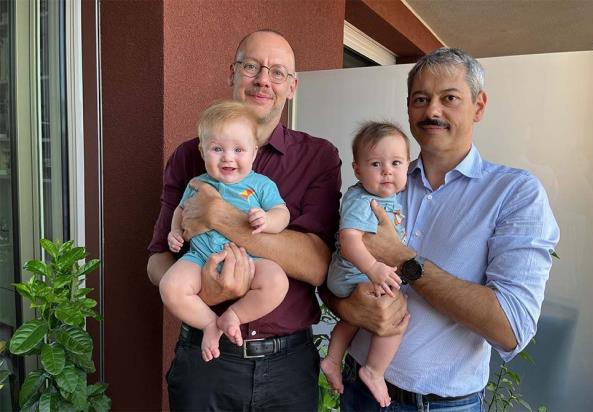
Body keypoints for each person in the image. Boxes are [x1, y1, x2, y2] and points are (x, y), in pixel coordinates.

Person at [322, 47, 560, 411]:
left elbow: (510, 328)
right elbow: (336, 273)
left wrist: (403, 259)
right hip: (359, 391)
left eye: (449, 98)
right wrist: (348, 306)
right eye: (421, 99)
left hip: (445, 405)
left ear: (478, 106)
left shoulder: (514, 193)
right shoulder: (382, 183)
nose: (432, 110)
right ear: (408, 108)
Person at [147, 29, 346, 411]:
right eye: (251, 66)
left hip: (288, 366)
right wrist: (209, 292)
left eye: (277, 72)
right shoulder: (190, 156)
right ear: (232, 74)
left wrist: (223, 217)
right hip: (207, 360)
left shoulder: (318, 157)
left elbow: (319, 265)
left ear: (292, 86)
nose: (263, 80)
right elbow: (158, 262)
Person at [159, 100, 291, 362]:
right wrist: (175, 231)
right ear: (202, 150)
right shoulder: (197, 183)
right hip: (200, 257)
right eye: (217, 149)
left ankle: (235, 315)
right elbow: (180, 211)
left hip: (249, 257)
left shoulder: (261, 185)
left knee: (277, 281)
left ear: (254, 152)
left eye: (239, 149)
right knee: (170, 286)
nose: (228, 157)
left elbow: (282, 213)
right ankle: (210, 323)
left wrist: (267, 219)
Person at [321, 122, 411, 407]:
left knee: (354, 319)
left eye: (396, 163)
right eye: (376, 164)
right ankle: (374, 370)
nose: (387, 171)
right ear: (357, 169)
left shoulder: (388, 198)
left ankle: (333, 360)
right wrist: (373, 269)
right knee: (396, 315)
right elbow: (349, 241)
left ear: (408, 165)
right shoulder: (364, 200)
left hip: (356, 273)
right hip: (354, 272)